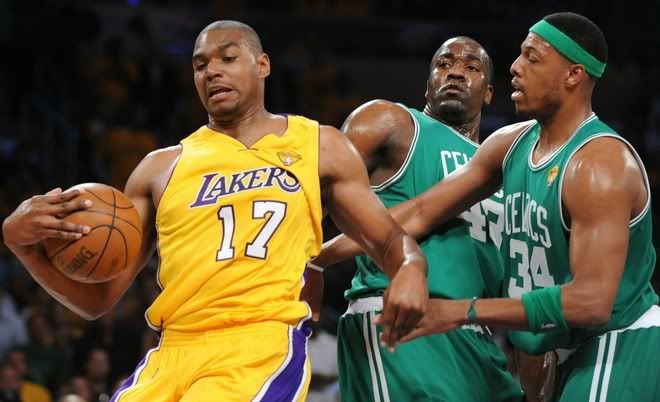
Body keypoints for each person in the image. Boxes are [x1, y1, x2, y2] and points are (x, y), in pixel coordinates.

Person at [1, 20, 429, 402]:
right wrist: (25, 248)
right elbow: (99, 299)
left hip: (257, 345)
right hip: (171, 353)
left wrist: (411, 268)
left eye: (228, 57)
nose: (212, 71)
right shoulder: (158, 168)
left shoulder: (320, 145)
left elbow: (388, 239)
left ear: (262, 65)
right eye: (200, 65)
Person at [317, 12, 660, 401]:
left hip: (615, 341)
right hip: (552, 345)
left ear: (572, 76)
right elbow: (418, 213)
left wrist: (464, 310)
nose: (515, 66)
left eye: (532, 58)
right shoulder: (509, 145)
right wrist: (319, 259)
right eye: (520, 54)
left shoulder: (598, 163)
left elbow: (592, 302)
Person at [309, 37, 523, 401]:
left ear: (489, 93)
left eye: (471, 67)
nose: (455, 72)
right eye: (444, 64)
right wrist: (307, 262)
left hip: (479, 336)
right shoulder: (392, 122)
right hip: (402, 324)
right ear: (428, 85)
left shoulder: (503, 171)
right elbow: (312, 196)